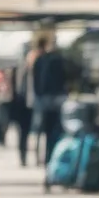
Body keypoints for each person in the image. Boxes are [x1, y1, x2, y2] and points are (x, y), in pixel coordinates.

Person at [31, 35, 67, 164]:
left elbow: (36, 81)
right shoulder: (57, 59)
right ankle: (50, 156)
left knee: (41, 130)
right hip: (54, 99)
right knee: (54, 131)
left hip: (43, 99)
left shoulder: (39, 60)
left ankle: (43, 157)